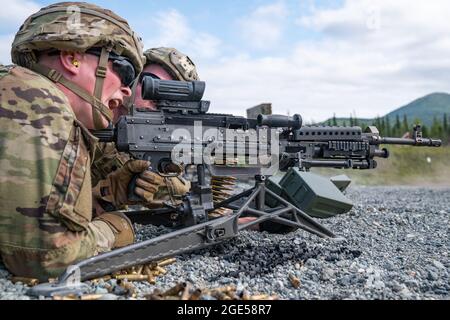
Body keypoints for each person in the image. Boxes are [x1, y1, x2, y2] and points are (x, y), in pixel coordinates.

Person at [0, 2, 163, 280]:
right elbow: (47, 255)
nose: (126, 89)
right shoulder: (37, 98)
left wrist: (104, 193)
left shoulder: (18, 88)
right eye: (123, 71)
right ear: (72, 57)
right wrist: (112, 229)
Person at [91, 47, 199, 208]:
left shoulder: (162, 141)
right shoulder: (86, 115)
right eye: (153, 83)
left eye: (172, 94)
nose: (158, 98)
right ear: (132, 79)